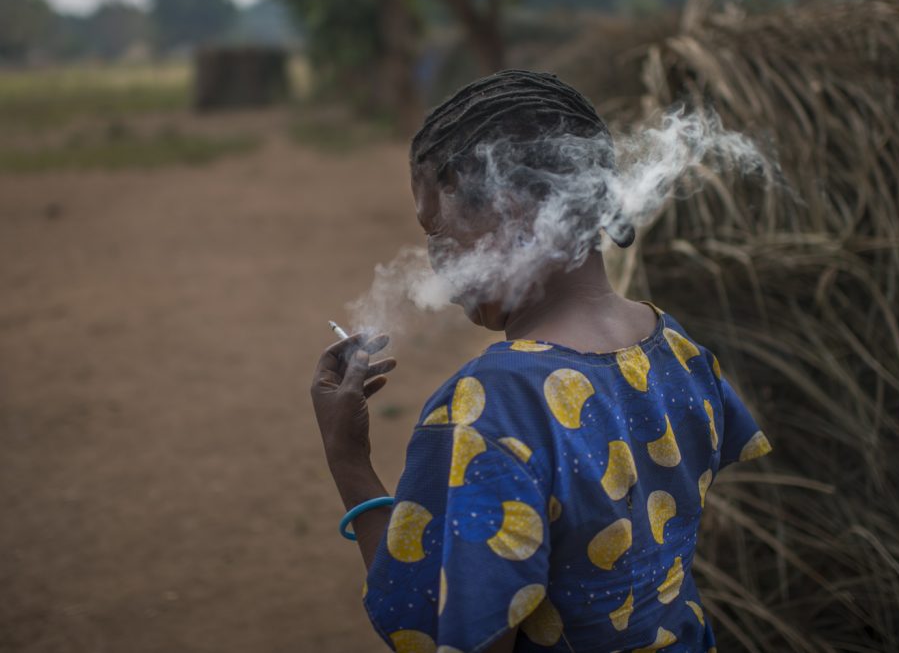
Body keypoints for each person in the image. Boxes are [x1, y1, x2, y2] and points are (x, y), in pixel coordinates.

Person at [310, 70, 772, 653]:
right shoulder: (679, 349)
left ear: (514, 215)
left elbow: (435, 625)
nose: (436, 265)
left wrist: (347, 459)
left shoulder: (496, 402)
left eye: (440, 234)